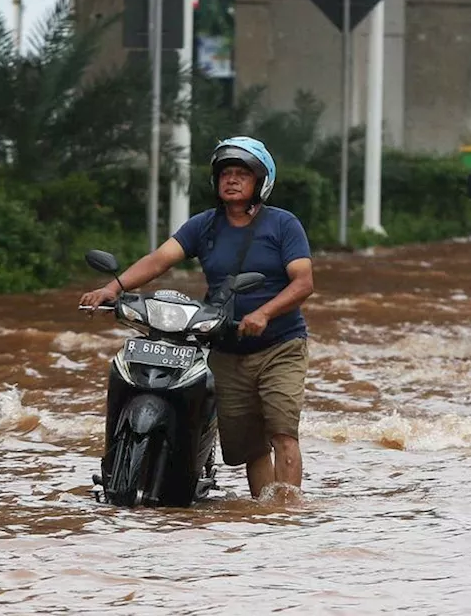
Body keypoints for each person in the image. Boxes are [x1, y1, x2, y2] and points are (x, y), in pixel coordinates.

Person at [79, 136, 315, 500]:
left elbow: (303, 282)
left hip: (279, 345)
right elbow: (160, 260)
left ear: (260, 181)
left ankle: (284, 517)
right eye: (226, 173)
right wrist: (113, 287)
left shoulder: (283, 225)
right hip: (226, 346)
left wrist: (264, 313)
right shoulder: (204, 226)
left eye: (241, 174)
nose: (231, 180)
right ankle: (264, 517)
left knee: (282, 433)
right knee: (249, 446)